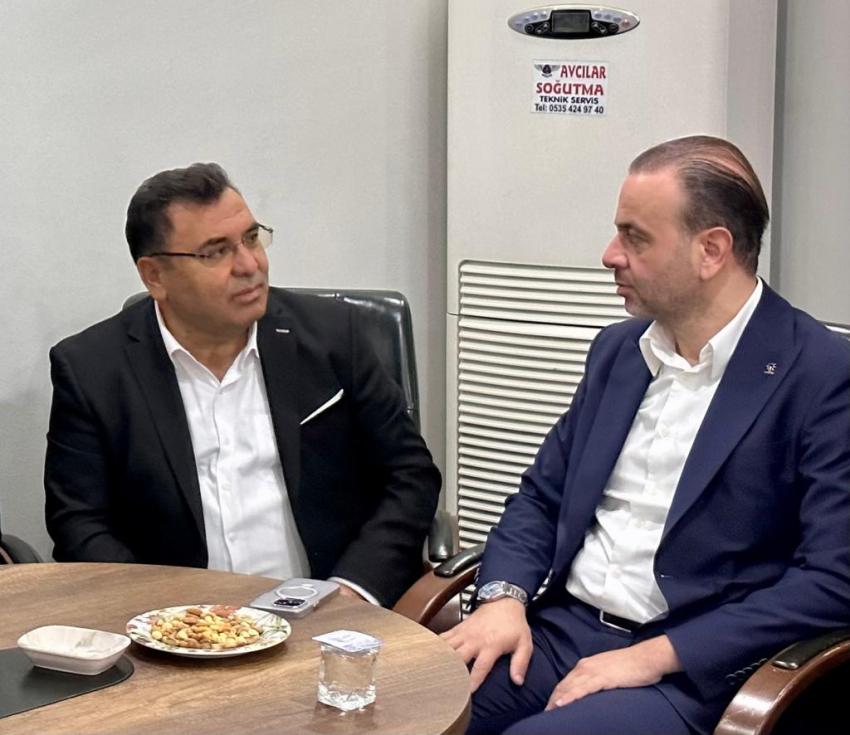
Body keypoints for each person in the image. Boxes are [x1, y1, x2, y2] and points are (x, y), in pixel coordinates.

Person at [442, 135, 850, 735]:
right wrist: (503, 598)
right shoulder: (619, 352)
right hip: (561, 632)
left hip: (690, 672)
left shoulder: (820, 373)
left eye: (635, 237)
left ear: (711, 250)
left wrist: (656, 656)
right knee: (393, 705)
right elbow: (541, 498)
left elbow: (832, 580)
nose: (610, 255)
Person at [45, 162, 441, 607]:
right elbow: (79, 524)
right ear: (155, 276)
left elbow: (411, 476)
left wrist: (351, 591)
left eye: (251, 238)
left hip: (329, 610)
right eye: (216, 252)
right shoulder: (93, 369)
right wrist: (164, 619)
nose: (250, 265)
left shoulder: (334, 337)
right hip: (178, 623)